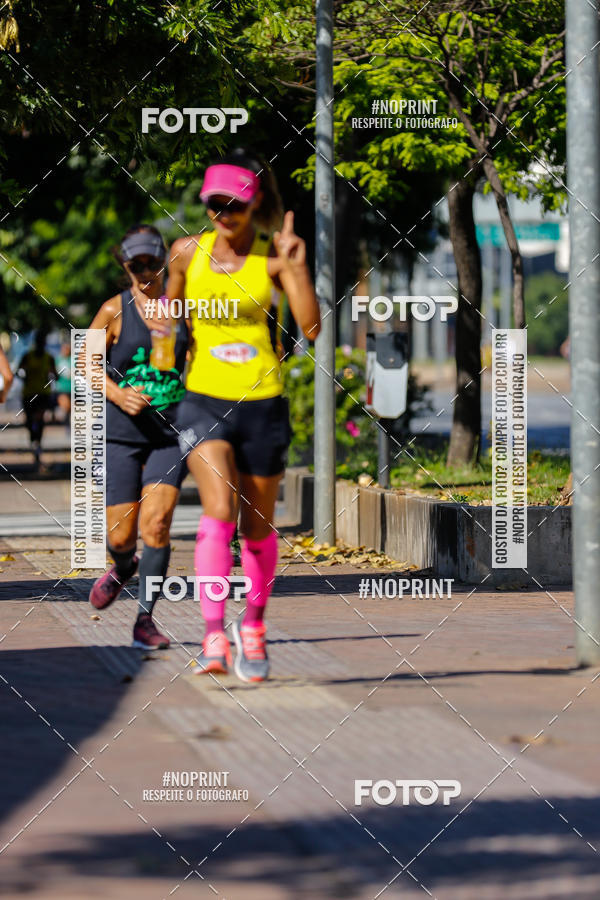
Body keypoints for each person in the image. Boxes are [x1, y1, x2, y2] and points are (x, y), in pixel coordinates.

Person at [167, 148, 320, 681]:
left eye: (234, 205)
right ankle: (213, 635)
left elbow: (312, 328)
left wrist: (297, 269)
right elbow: (171, 314)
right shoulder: (186, 253)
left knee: (257, 526)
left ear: (254, 205)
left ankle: (251, 626)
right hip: (203, 399)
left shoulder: (275, 258)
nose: (223, 216)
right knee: (216, 512)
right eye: (215, 206)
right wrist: (164, 360)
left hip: (263, 402)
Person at [86, 224, 189, 649]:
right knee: (122, 536)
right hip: (122, 434)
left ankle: (145, 620)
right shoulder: (113, 310)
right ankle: (123, 564)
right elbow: (86, 363)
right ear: (125, 266)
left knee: (157, 524)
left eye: (153, 262)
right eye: (136, 265)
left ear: (164, 259)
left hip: (172, 432)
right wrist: (117, 392)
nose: (146, 271)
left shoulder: (185, 307)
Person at [18, 330, 57, 470]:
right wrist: (25, 376)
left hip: (42, 394)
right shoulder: (27, 357)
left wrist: (50, 376)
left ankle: (37, 446)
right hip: (28, 393)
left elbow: (55, 374)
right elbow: (18, 371)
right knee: (29, 421)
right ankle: (34, 441)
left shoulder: (49, 358)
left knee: (39, 420)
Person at [53, 341, 72, 430]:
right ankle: (66, 423)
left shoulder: (73, 360)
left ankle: (68, 423)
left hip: (72, 388)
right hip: (61, 388)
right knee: (66, 406)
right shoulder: (58, 360)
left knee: (71, 408)